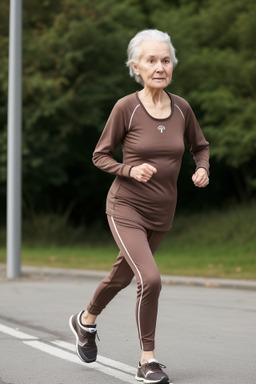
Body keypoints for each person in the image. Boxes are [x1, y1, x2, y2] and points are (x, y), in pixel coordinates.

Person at [69, 29, 209, 384]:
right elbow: (100, 156)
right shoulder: (126, 108)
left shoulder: (182, 109)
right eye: (151, 60)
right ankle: (148, 360)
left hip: (162, 212)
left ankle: (85, 321)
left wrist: (203, 168)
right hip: (125, 206)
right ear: (136, 67)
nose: (160, 67)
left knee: (124, 274)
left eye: (166, 60)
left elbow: (200, 146)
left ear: (172, 66)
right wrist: (129, 169)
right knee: (150, 278)